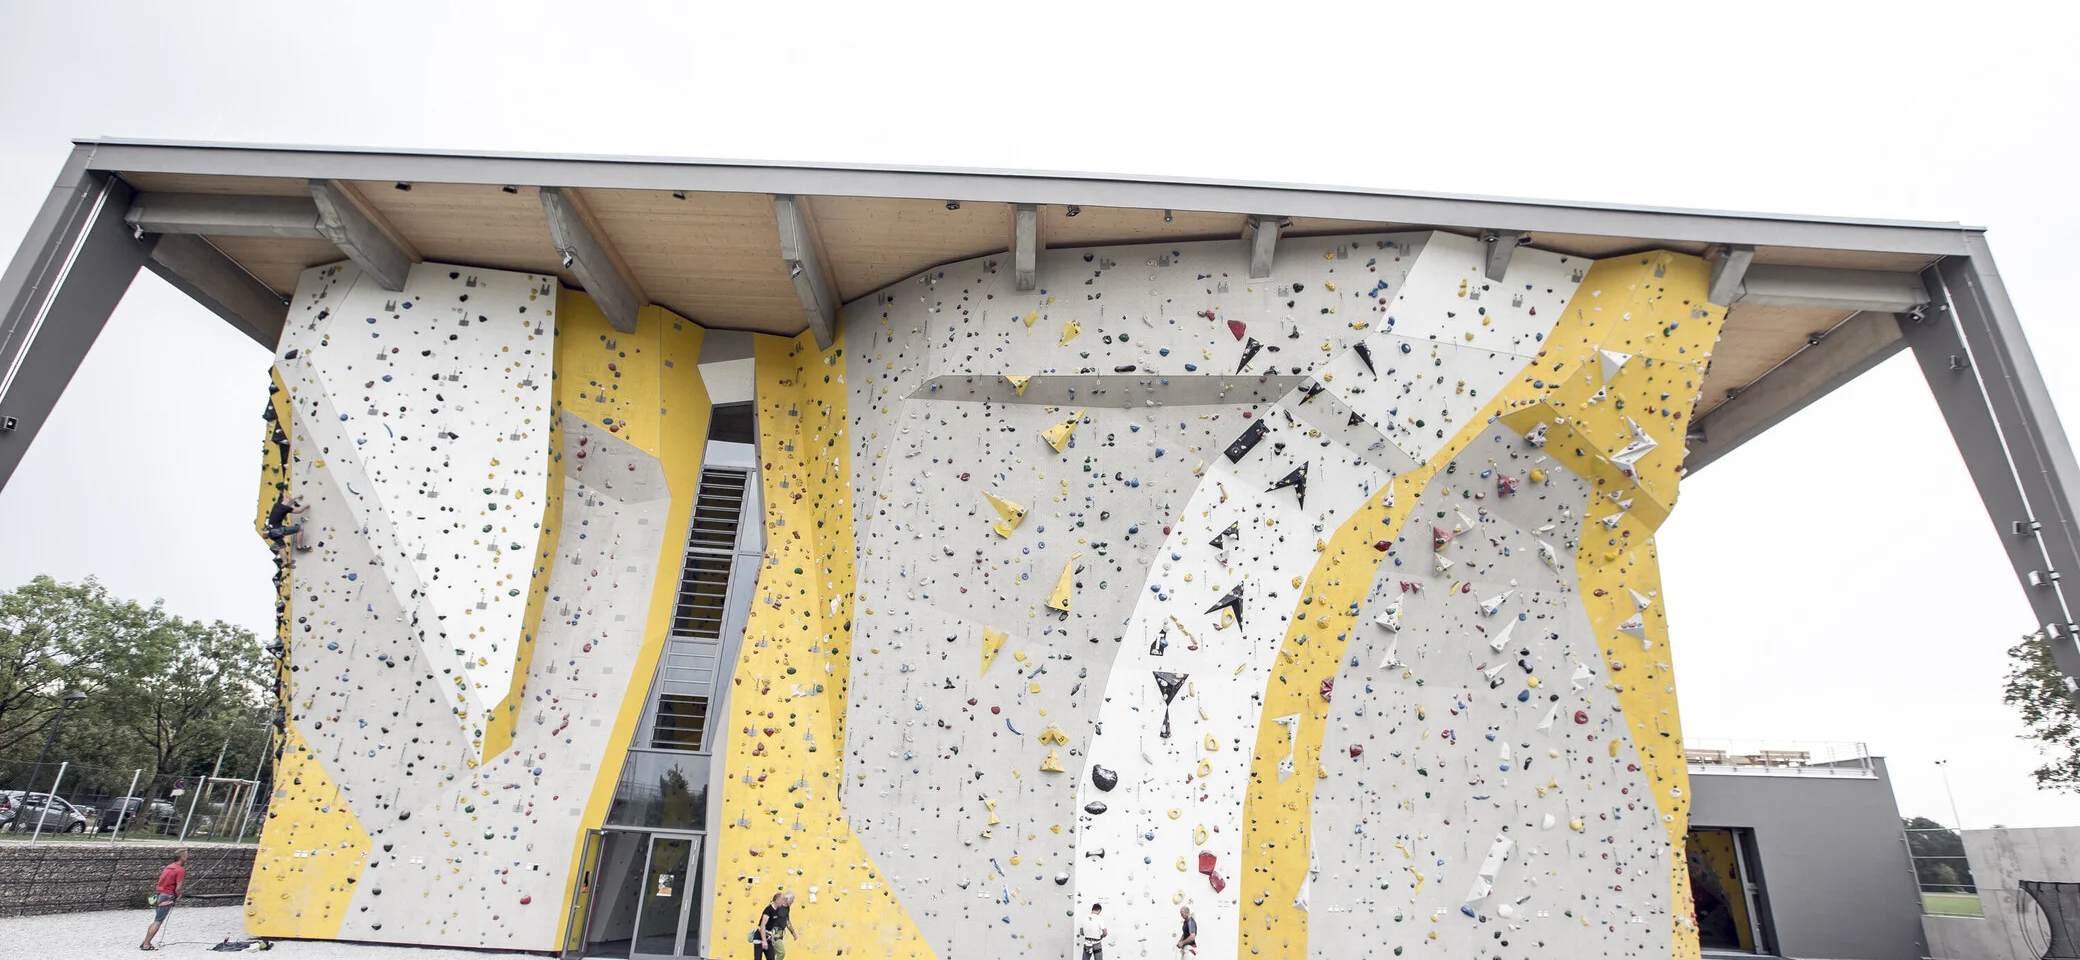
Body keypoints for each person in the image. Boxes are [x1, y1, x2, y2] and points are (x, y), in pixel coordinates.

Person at [140, 848, 187, 951]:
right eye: (186, 855)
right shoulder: (180, 869)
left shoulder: (168, 867)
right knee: (158, 921)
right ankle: (146, 944)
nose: (187, 857)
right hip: (167, 896)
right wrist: (178, 895)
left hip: (159, 895)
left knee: (157, 920)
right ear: (182, 857)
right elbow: (178, 887)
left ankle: (146, 942)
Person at [263, 494, 311, 563]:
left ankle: (285, 562)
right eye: (288, 502)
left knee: (282, 546)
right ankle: (299, 547)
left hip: (271, 533)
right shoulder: (285, 508)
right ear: (285, 502)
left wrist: (297, 497)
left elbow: (289, 500)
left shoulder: (276, 505)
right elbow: (298, 511)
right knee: (300, 528)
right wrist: (306, 505)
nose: (290, 503)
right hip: (278, 530)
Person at [755, 889, 798, 960]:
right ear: (787, 899)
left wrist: (793, 932)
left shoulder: (787, 908)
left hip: (779, 934)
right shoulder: (777, 907)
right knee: (781, 952)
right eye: (792, 899)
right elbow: (767, 921)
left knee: (772, 955)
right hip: (774, 934)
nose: (793, 901)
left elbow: (787, 920)